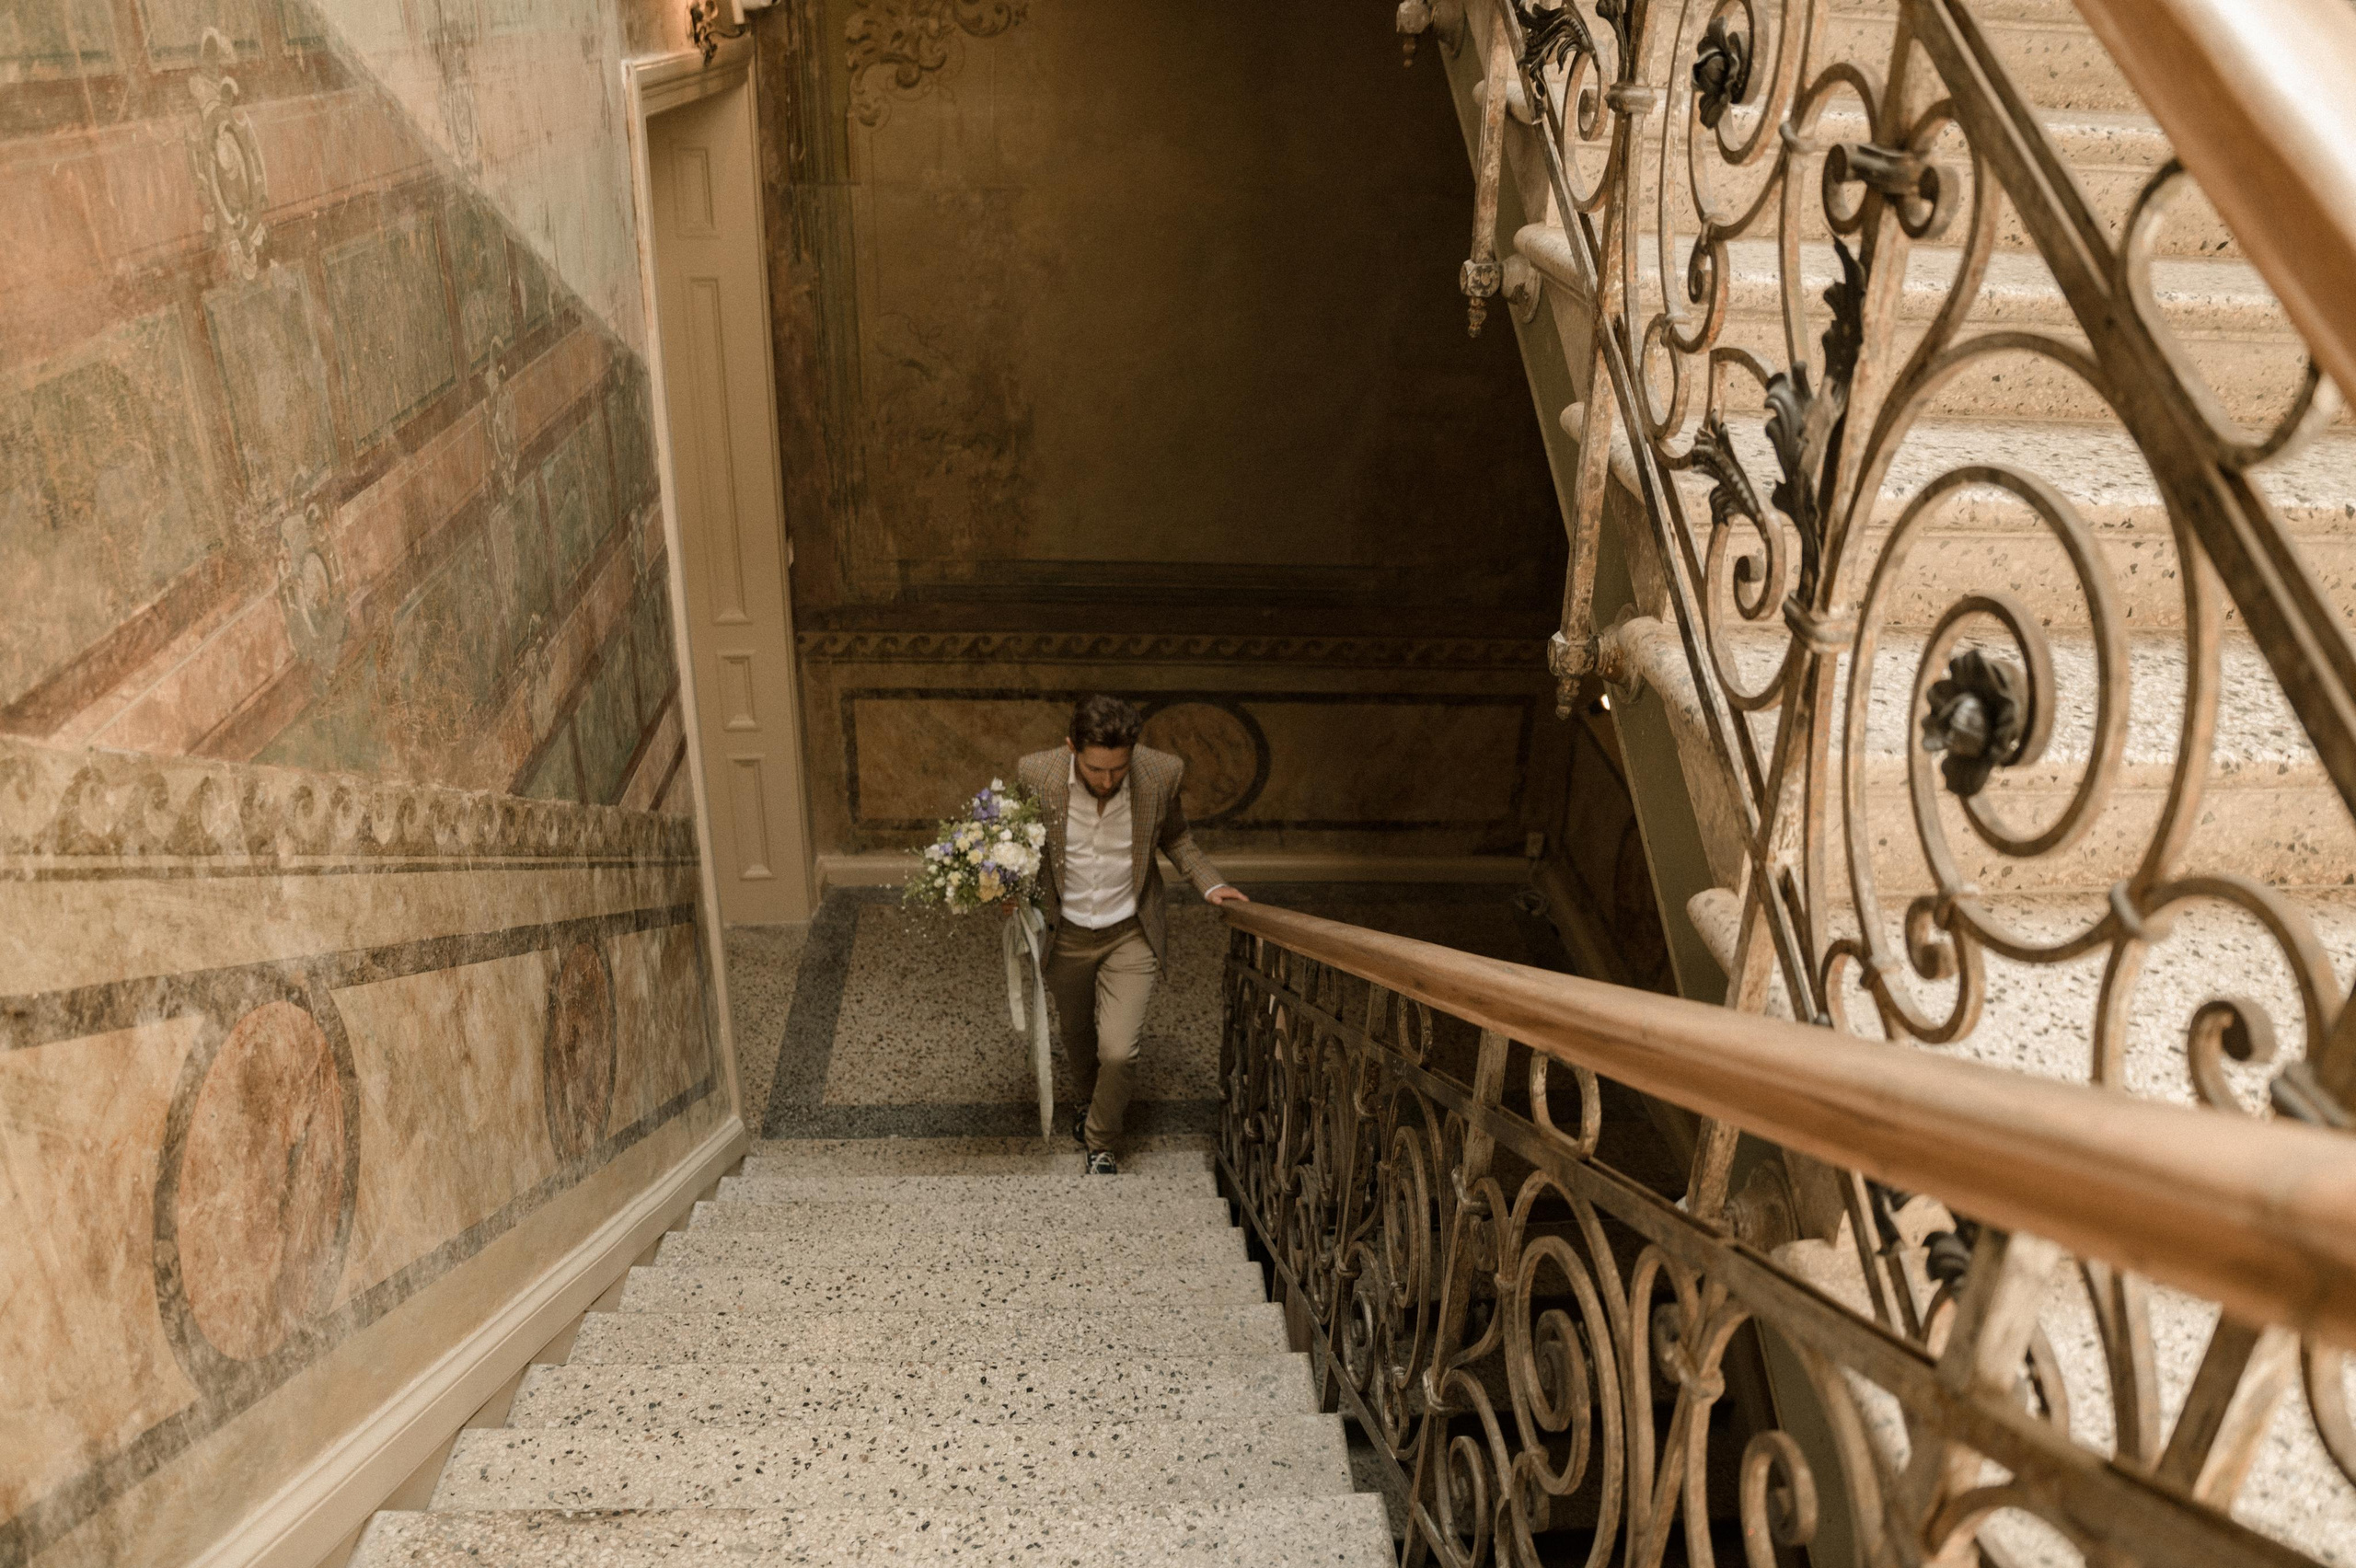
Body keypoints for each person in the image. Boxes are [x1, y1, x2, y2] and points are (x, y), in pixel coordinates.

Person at [1015, 696, 1248, 1174]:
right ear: (1071, 748)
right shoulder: (1036, 774)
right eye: (1097, 769)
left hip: (1131, 930)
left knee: (1119, 1050)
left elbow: (1177, 837)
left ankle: (1101, 1139)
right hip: (1066, 932)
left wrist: (1212, 883)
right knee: (1078, 1031)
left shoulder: (1162, 774)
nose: (1107, 781)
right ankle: (1088, 1102)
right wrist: (1004, 884)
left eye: (1118, 770)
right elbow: (1019, 841)